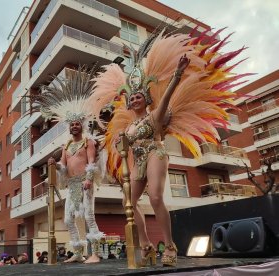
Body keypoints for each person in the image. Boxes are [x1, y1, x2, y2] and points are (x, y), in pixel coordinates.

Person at [88, 28, 248, 267]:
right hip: (138, 160)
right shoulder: (129, 126)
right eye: (131, 99)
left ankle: (170, 246)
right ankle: (145, 245)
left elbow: (166, 99)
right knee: (127, 203)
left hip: (156, 153)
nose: (134, 100)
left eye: (139, 97)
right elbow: (122, 146)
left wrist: (177, 75)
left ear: (147, 99)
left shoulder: (155, 116)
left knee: (154, 197)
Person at [33, 65, 105, 264]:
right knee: (68, 220)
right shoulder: (66, 145)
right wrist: (54, 165)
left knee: (89, 216)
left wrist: (89, 180)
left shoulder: (88, 142)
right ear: (69, 126)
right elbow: (63, 167)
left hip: (84, 183)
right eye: (71, 124)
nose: (74, 126)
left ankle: (95, 253)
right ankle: (79, 252)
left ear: (81, 125)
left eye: (77, 124)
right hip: (72, 184)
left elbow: (91, 162)